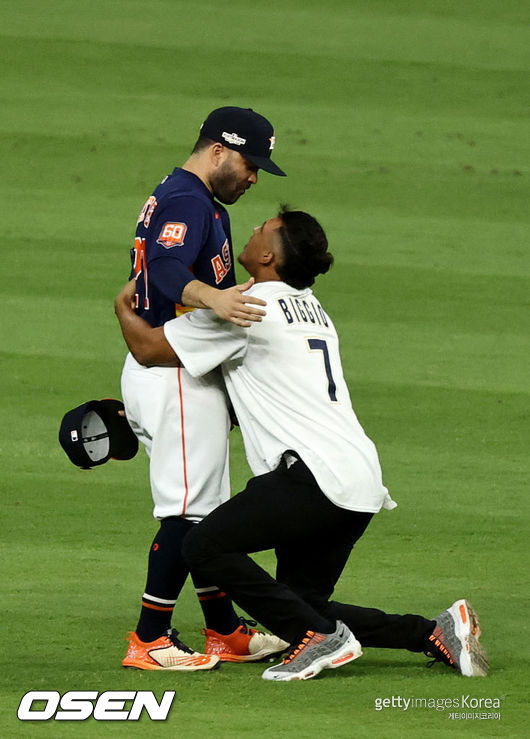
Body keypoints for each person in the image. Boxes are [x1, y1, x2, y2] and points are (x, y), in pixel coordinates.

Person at [115, 206, 489, 682]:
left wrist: (123, 306)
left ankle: (320, 641)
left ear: (268, 255)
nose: (251, 231)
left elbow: (147, 349)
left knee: (203, 545)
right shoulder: (311, 306)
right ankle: (432, 632)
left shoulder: (246, 306)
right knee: (300, 606)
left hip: (312, 477)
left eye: (261, 231)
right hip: (358, 481)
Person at [120, 107, 288, 671]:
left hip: (183, 371)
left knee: (206, 512)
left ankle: (224, 632)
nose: (254, 176)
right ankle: (150, 638)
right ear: (218, 150)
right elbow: (166, 269)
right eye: (249, 163)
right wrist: (213, 297)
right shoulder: (190, 200)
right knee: (189, 513)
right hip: (175, 375)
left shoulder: (193, 198)